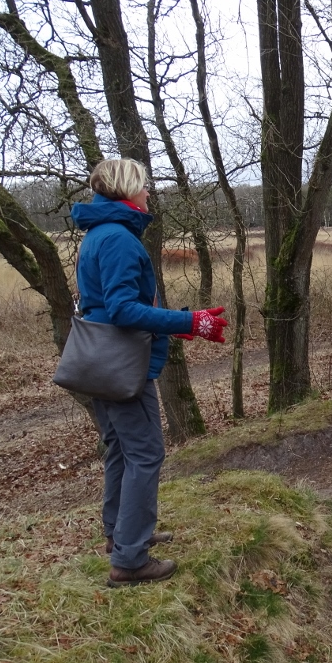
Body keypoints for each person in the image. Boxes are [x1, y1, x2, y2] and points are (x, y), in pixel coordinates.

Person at [72, 158, 229, 587]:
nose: (148, 193)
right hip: (122, 365)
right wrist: (189, 321)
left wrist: (183, 322)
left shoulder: (98, 233)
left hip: (100, 361)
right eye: (144, 186)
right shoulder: (118, 238)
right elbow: (123, 309)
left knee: (121, 449)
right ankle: (130, 560)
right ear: (127, 189)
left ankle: (121, 535)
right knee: (145, 454)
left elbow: (105, 304)